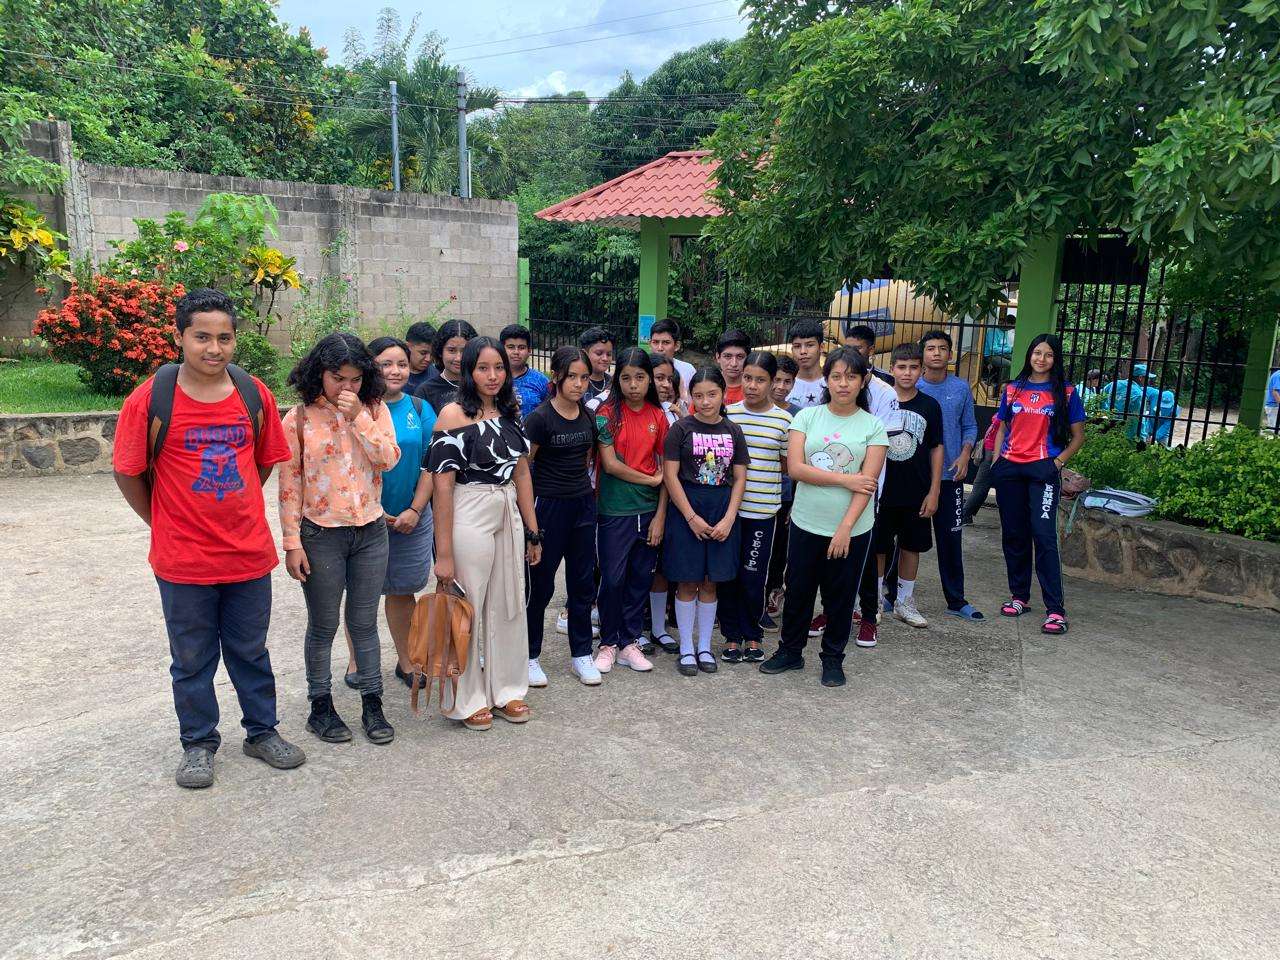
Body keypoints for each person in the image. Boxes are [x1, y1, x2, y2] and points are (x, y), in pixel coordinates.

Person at [113, 287, 304, 789]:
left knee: (251, 652)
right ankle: (198, 744)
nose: (213, 348)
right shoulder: (151, 399)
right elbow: (129, 470)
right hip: (182, 562)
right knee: (192, 659)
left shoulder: (252, 393)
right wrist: (163, 520)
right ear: (180, 337)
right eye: (202, 337)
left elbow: (263, 460)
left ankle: (262, 732)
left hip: (247, 555)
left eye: (224, 338)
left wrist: (232, 507)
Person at [280, 332, 401, 746]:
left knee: (365, 623)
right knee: (323, 624)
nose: (346, 387)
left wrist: (358, 419)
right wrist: (291, 542)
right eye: (337, 378)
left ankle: (372, 703)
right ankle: (320, 706)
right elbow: (290, 484)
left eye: (354, 379)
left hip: (370, 531)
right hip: (320, 535)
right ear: (320, 373)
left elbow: (389, 458)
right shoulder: (297, 419)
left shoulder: (374, 409)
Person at [427, 337, 542, 730]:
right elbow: (442, 488)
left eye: (498, 368)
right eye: (482, 368)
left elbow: (523, 471)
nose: (492, 376)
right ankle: (465, 698)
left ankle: (508, 689)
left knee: (507, 603)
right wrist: (443, 554)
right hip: (468, 509)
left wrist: (533, 530)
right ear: (468, 371)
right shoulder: (452, 415)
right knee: (468, 604)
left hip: (507, 508)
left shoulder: (513, 410)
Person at [759, 347, 888, 688]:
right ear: (826, 379)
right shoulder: (806, 418)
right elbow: (798, 470)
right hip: (805, 522)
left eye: (851, 376)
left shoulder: (873, 427)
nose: (843, 384)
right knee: (798, 591)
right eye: (836, 376)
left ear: (864, 380)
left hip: (852, 529)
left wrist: (845, 528)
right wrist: (848, 478)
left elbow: (868, 486)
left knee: (840, 596)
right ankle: (790, 651)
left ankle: (833, 658)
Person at [339, 337, 437, 691]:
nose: (395, 371)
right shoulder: (355, 410)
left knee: (402, 591)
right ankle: (357, 660)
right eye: (385, 364)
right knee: (361, 591)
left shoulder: (420, 408)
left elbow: (432, 463)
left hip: (411, 518)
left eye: (402, 364)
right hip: (365, 519)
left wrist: (415, 509)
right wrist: (372, 510)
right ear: (370, 368)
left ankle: (407, 661)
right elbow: (346, 464)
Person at [990, 333, 1086, 636]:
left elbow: (1079, 436)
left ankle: (1055, 611)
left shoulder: (1067, 393)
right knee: (1014, 535)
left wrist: (1056, 464)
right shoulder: (1012, 389)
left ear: (1055, 359)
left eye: (1048, 355)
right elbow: (1002, 426)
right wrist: (997, 462)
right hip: (1010, 470)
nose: (1041, 359)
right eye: (1036, 353)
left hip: (1042, 471)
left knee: (1044, 537)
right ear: (1029, 355)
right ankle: (1019, 597)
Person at [662, 367, 749, 676]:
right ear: (690, 396)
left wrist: (729, 518)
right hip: (688, 510)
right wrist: (690, 517)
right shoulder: (680, 429)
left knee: (711, 581)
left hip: (721, 511)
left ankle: (704, 646)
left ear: (723, 394)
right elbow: (670, 476)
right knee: (687, 579)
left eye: (712, 394)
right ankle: (686, 647)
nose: (705, 401)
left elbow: (739, 478)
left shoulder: (733, 430)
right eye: (698, 395)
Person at [523, 347, 601, 687]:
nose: (579, 384)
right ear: (557, 377)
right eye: (572, 377)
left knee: (583, 584)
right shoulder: (539, 418)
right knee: (539, 586)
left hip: (583, 505)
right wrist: (530, 524)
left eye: (584, 378)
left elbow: (587, 458)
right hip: (548, 507)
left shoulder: (588, 416)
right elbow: (524, 467)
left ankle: (581, 654)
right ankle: (529, 655)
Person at [594, 348, 668, 673]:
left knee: (640, 579)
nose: (633, 384)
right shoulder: (605, 413)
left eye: (640, 377)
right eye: (626, 377)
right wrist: (651, 480)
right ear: (617, 378)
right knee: (612, 579)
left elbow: (668, 470)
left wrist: (661, 515)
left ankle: (629, 642)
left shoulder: (658, 415)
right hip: (614, 509)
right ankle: (608, 642)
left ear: (649, 379)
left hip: (649, 511)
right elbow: (610, 465)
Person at [720, 351, 791, 663]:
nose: (751, 385)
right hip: (727, 514)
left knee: (753, 576)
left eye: (760, 380)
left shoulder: (785, 421)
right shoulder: (728, 415)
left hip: (762, 513)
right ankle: (731, 636)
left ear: (772, 382)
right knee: (728, 574)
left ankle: (752, 634)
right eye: (747, 378)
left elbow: (788, 467)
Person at [873, 343, 943, 629]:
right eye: (901, 367)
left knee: (911, 546)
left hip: (916, 489)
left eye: (914, 367)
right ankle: (874, 601)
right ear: (891, 369)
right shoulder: (879, 401)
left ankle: (905, 601)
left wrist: (934, 490)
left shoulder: (929, 406)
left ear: (922, 370)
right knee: (878, 547)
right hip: (881, 489)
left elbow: (937, 448)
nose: (907, 372)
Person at [916, 330, 983, 620]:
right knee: (904, 538)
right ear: (923, 354)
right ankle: (891, 595)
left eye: (942, 348)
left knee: (951, 539)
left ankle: (956, 600)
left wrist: (966, 453)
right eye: (930, 348)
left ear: (950, 354)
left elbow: (970, 426)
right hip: (916, 477)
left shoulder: (960, 388)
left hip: (950, 477)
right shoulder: (910, 386)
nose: (936, 353)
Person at [765, 354, 802, 624]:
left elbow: (800, 460)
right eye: (776, 380)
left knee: (779, 550)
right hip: (757, 493)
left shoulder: (798, 414)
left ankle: (773, 592)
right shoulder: (755, 409)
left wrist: (798, 498)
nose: (780, 386)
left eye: (787, 381)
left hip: (786, 495)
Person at [414, 319, 477, 414]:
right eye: (451, 350)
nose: (458, 358)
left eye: (465, 350)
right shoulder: (425, 392)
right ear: (440, 351)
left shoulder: (482, 384)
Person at [500, 323, 549, 417]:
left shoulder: (541, 381)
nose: (516, 352)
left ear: (529, 351)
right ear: (502, 349)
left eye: (521, 347)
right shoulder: (495, 379)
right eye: (510, 347)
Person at [648, 318, 695, 402]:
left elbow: (693, 404)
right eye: (655, 342)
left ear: (677, 345)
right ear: (649, 344)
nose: (660, 348)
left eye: (666, 342)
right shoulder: (642, 368)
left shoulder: (688, 370)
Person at [786, 319, 827, 408]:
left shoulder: (832, 383)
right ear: (792, 350)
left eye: (809, 345)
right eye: (797, 346)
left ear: (821, 347)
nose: (803, 351)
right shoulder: (782, 384)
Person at [579, 326, 616, 404]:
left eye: (609, 354)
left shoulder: (614, 384)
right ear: (584, 353)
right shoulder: (577, 383)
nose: (605, 358)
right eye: (599, 353)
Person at [715, 328, 751, 405]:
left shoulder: (754, 389)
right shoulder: (706, 386)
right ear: (718, 357)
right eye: (728, 356)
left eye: (740, 357)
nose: (734, 364)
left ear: (748, 358)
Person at [404, 321, 437, 394]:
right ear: (407, 347)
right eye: (423, 353)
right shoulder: (395, 375)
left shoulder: (436, 378)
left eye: (432, 354)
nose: (428, 359)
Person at [1266, 367, 1280, 433]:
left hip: (1275, 406)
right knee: (1274, 431)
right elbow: (1275, 392)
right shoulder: (1278, 375)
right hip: (1274, 406)